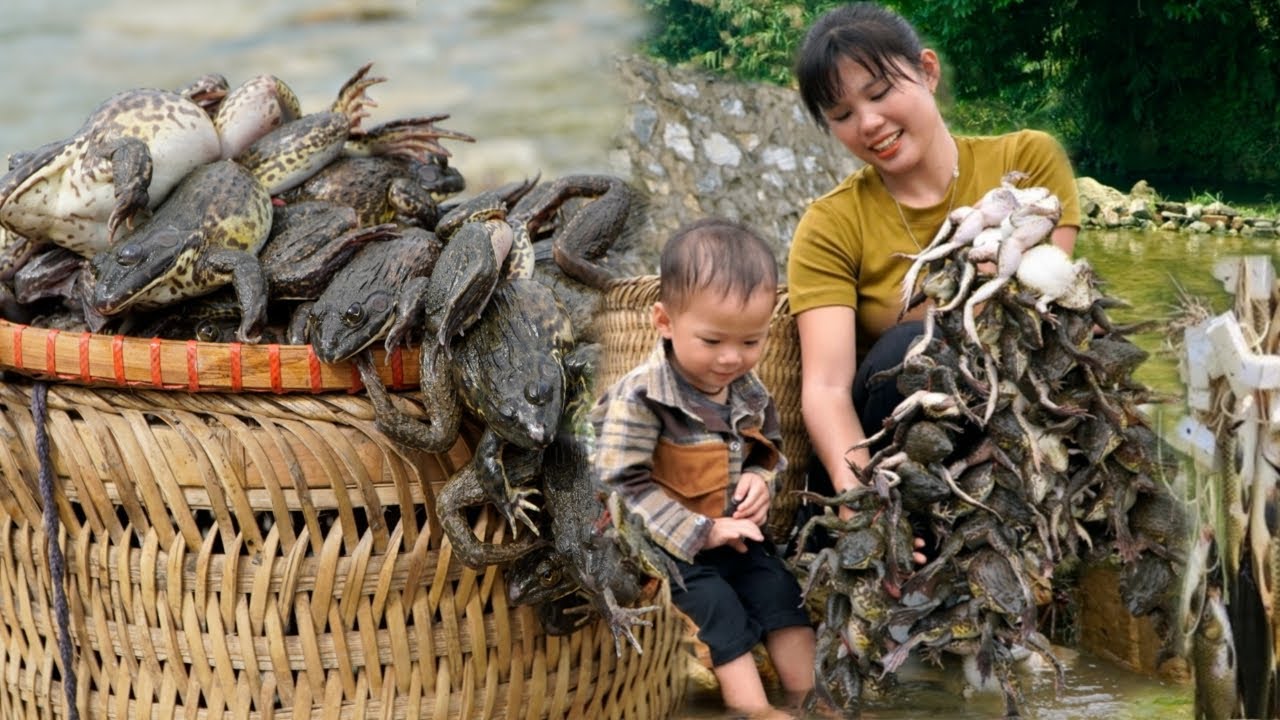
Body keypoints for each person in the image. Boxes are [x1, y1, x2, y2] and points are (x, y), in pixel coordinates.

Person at [786, 2, 1082, 519]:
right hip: (887, 444)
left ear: (927, 70)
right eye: (843, 115)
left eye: (879, 94)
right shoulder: (829, 223)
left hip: (1002, 405)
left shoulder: (1027, 162)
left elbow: (1036, 303)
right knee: (913, 342)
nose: (869, 123)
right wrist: (857, 492)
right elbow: (828, 388)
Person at [591, 218, 816, 718]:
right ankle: (755, 710)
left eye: (751, 342)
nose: (732, 359)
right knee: (718, 608)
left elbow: (767, 447)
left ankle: (813, 699)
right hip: (667, 547)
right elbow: (618, 486)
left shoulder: (749, 390)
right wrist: (701, 530)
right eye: (712, 342)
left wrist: (760, 478)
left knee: (780, 590)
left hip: (733, 532)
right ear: (665, 322)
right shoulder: (642, 397)